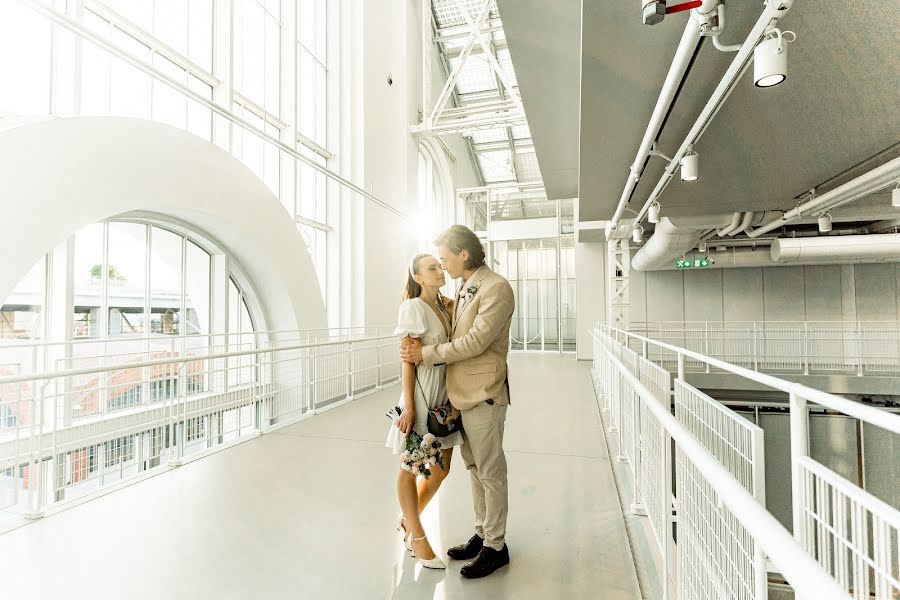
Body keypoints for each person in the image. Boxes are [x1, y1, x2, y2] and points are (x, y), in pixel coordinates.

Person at [400, 225, 515, 579]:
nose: (445, 267)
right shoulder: (466, 286)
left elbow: (476, 342)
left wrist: (426, 353)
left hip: (483, 394)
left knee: (491, 473)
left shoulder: (496, 288)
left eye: (446, 259)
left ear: (464, 254)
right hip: (460, 396)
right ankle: (482, 534)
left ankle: (496, 547)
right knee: (474, 469)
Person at [386, 253, 463, 570]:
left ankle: (407, 523)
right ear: (418, 276)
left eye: (439, 265)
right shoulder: (413, 307)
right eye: (432, 268)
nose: (440, 270)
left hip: (444, 398)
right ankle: (417, 536)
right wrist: (409, 406)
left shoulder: (444, 307)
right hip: (422, 395)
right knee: (411, 468)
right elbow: (407, 359)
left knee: (441, 469)